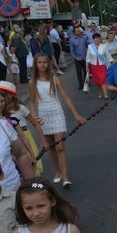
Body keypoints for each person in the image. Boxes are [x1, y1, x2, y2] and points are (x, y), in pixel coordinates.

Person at [28, 53, 86, 187]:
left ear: (49, 64)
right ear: (35, 65)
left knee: (60, 146)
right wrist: (34, 115)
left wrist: (76, 114)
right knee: (51, 148)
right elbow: (31, 101)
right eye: (39, 62)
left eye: (45, 62)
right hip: (43, 116)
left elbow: (65, 97)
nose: (42, 65)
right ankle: (57, 171)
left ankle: (65, 176)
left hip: (56, 113)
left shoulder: (55, 79)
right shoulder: (32, 82)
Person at [0, 90, 34, 191]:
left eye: (1, 101)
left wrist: (31, 185)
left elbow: (21, 154)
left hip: (10, 190)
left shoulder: (3, 125)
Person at [0, 81, 47, 176]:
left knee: (30, 163)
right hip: (8, 139)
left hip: (24, 136)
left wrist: (44, 141)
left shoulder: (21, 108)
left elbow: (35, 124)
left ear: (9, 96)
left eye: (2, 94)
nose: (0, 99)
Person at [86, 33, 113, 100]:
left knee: (103, 80)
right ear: (93, 39)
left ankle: (105, 94)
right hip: (94, 66)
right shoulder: (90, 46)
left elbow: (108, 55)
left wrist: (111, 63)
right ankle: (100, 92)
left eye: (98, 38)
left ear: (100, 39)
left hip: (102, 66)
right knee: (97, 81)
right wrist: (87, 66)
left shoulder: (103, 46)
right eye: (96, 38)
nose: (97, 39)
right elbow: (88, 57)